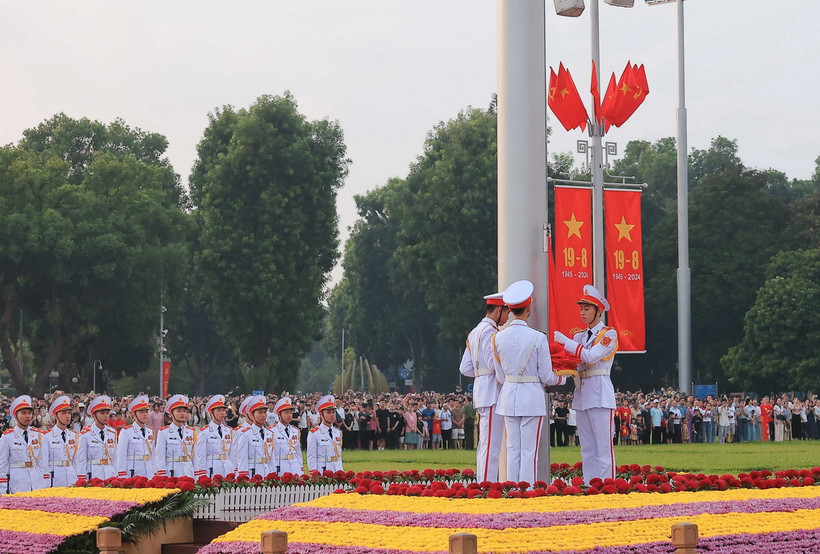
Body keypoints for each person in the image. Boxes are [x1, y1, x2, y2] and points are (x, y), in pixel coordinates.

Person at [493, 280, 565, 485]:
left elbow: (500, 375)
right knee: (528, 450)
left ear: (510, 309)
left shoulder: (497, 338)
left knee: (512, 448)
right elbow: (547, 376)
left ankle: (513, 488)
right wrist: (563, 377)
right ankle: (528, 489)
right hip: (531, 397)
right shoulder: (538, 338)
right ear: (528, 308)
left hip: (509, 395)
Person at [554, 283, 618, 485]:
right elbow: (575, 362)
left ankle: (607, 485)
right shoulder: (579, 336)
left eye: (587, 308)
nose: (582, 312)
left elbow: (590, 357)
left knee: (603, 447)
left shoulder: (608, 334)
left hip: (600, 392)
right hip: (582, 392)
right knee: (587, 447)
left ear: (598, 311)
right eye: (581, 308)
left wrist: (566, 342)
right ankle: (591, 484)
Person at [458, 290, 508, 482]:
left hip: (482, 388)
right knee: (491, 446)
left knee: (486, 443)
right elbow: (492, 362)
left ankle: (484, 481)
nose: (508, 317)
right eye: (507, 312)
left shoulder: (474, 332)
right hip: (492, 391)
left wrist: (480, 373)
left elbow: (465, 368)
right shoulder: (490, 332)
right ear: (499, 310)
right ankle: (486, 484)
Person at [0, 395, 49, 493]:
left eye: (29, 413)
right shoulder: (7, 436)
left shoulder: (38, 435)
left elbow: (42, 462)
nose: (28, 416)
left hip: (36, 481)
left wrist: (45, 483)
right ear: (16, 416)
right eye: (23, 413)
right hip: (18, 482)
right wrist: (3, 489)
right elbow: (2, 465)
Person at [154, 394, 196, 478]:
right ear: (171, 414)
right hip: (172, 474)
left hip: (188, 473)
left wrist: (197, 476)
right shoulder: (164, 432)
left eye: (185, 411)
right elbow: (160, 457)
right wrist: (163, 476)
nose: (183, 413)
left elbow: (195, 457)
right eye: (179, 411)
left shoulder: (191, 432)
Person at [77, 395, 118, 481]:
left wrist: (116, 476)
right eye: (102, 413)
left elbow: (114, 458)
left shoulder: (112, 433)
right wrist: (82, 479)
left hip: (109, 474)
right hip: (93, 475)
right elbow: (81, 460)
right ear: (94, 415)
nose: (106, 416)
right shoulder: (86, 434)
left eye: (107, 413)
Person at [194, 395, 234, 480]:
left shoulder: (229, 431)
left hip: (228, 469)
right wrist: (202, 475)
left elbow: (232, 454)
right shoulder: (205, 432)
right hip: (212, 469)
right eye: (219, 410)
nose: (222, 413)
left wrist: (233, 469)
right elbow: (201, 456)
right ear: (211, 413)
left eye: (223, 410)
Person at [43, 395, 80, 487]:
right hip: (55, 478)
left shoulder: (74, 436)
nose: (67, 416)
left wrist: (77, 478)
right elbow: (43, 463)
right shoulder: (46, 436)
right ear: (56, 415)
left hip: (71, 476)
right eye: (63, 413)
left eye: (69, 413)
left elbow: (76, 461)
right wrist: (46, 483)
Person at [234, 395, 275, 479]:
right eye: (260, 412)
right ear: (252, 415)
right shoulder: (246, 434)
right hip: (253, 475)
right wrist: (244, 478)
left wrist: (273, 475)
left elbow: (272, 459)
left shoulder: (270, 434)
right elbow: (242, 459)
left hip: (267, 473)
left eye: (265, 412)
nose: (263, 415)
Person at [115, 395, 155, 479]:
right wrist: (122, 475)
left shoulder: (150, 431)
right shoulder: (126, 432)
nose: (145, 414)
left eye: (146, 412)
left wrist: (155, 472)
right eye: (141, 412)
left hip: (149, 472)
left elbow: (153, 455)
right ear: (134, 414)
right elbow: (121, 455)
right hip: (133, 473)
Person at [307, 394, 343, 473]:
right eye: (329, 412)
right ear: (321, 414)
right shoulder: (314, 433)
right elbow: (311, 457)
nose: (332, 415)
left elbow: (339, 456)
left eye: (333, 412)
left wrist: (341, 470)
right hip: (323, 471)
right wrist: (314, 474)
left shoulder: (338, 432)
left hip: (337, 470)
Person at [270, 397, 303, 476]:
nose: (289, 415)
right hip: (280, 468)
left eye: (291, 413)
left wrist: (301, 469)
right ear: (279, 414)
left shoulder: (295, 431)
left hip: (295, 468)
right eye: (286, 413)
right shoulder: (271, 431)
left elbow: (298, 453)